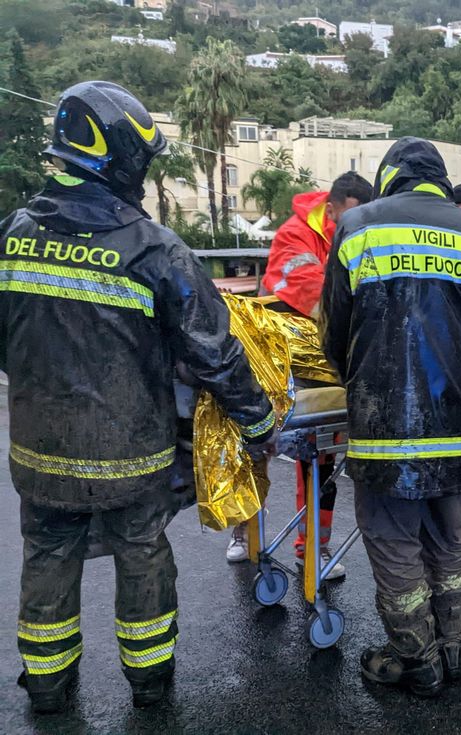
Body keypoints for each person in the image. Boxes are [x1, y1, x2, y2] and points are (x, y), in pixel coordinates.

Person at [0, 81, 275, 713]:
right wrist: (257, 421)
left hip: (38, 451)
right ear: (121, 156)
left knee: (47, 553)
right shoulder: (153, 248)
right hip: (131, 453)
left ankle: (46, 687)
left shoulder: (12, 232)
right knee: (142, 552)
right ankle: (151, 687)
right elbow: (214, 350)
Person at [322, 137, 461, 696]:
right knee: (454, 539)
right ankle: (452, 647)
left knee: (394, 540)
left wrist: (356, 382)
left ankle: (416, 658)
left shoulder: (358, 227)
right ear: (442, 182)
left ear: (388, 179)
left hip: (389, 430)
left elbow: (335, 331)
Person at [226, 172, 372, 578]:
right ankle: (244, 531)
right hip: (281, 354)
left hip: (327, 356)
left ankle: (314, 547)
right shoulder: (297, 234)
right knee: (256, 446)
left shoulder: (355, 234)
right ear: (333, 207)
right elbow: (307, 288)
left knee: (322, 454)